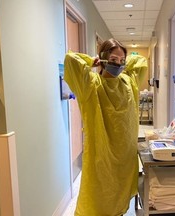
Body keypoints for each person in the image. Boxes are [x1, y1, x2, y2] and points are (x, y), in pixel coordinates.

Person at [64, 38, 148, 216]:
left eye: (121, 61)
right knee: (99, 200)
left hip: (125, 155)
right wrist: (90, 62)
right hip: (101, 157)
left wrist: (122, 60)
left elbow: (141, 62)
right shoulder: (91, 85)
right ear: (102, 59)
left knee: (119, 196)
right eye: (113, 60)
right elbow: (71, 62)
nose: (118, 64)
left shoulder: (128, 82)